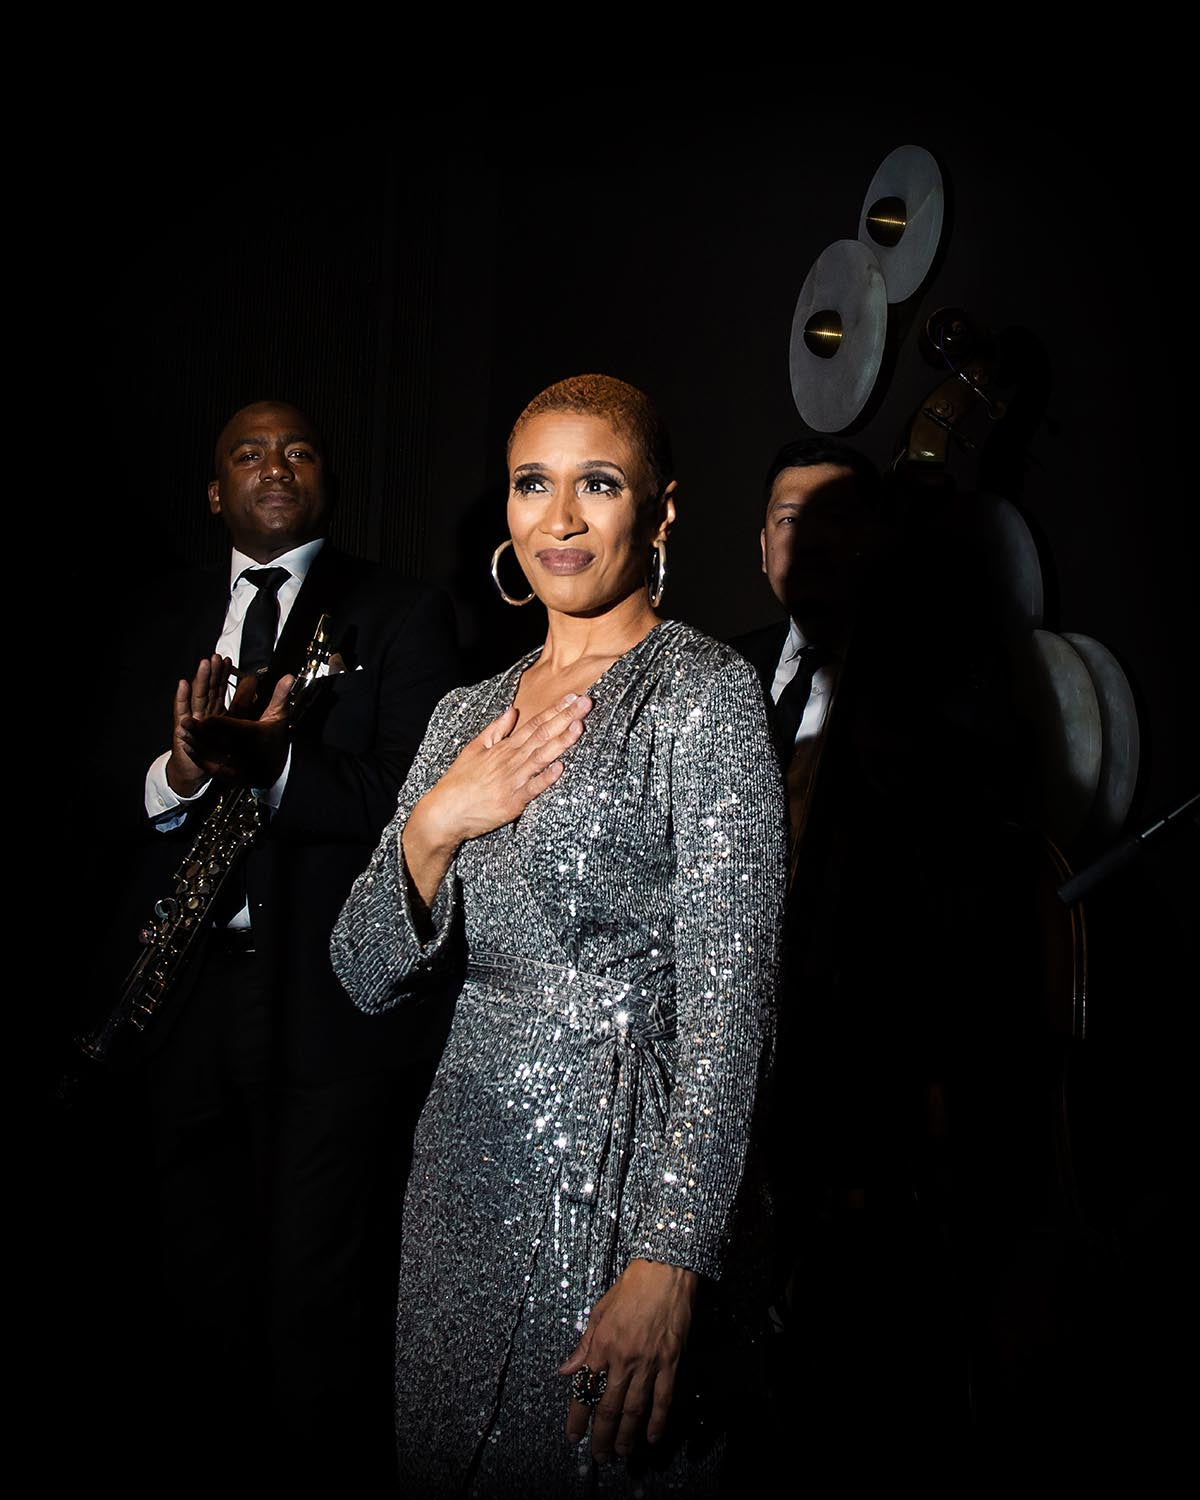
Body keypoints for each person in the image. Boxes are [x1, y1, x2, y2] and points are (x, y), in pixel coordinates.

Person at [331, 374, 786, 1494]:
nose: (562, 518)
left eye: (599, 483)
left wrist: (671, 1261)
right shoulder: (461, 714)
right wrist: (437, 824)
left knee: (597, 1466)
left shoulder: (705, 694)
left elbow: (736, 1013)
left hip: (624, 1182)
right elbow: (360, 970)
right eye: (534, 484)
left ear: (659, 512)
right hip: (459, 1176)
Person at [93, 400, 460, 1486]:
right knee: (189, 1279)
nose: (275, 465)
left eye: (300, 447)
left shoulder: (400, 613)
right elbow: (100, 795)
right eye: (247, 452)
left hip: (326, 1009)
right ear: (214, 491)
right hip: (182, 1004)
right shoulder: (153, 617)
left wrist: (280, 772)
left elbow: (419, 800)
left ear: (327, 479)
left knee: (314, 1297)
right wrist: (186, 777)